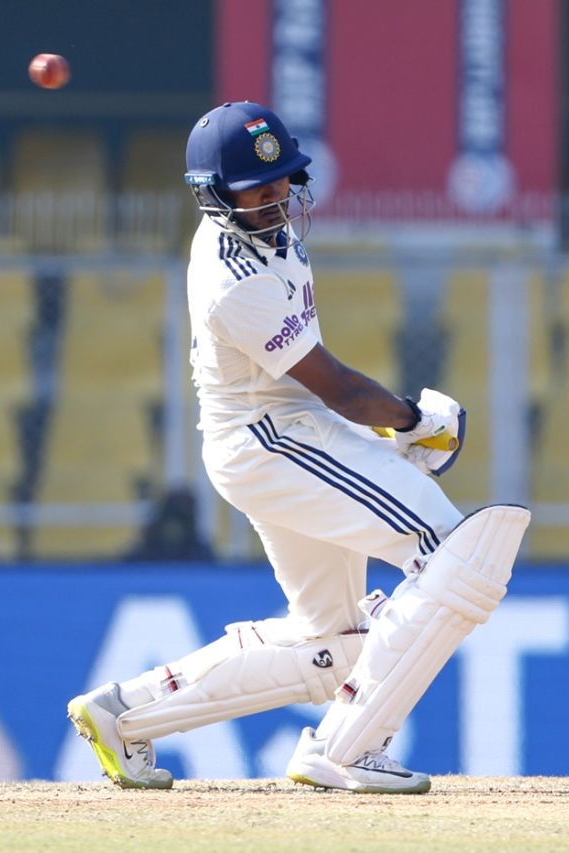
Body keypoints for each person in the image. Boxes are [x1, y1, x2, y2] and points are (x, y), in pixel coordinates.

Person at [67, 101, 530, 793]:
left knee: (335, 643)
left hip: (283, 434)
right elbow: (336, 388)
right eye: (257, 190)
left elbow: (326, 391)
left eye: (283, 180)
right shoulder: (234, 282)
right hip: (271, 439)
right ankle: (347, 749)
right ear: (212, 195)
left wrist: (393, 428)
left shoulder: (267, 228)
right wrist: (413, 419)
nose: (276, 198)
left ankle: (124, 714)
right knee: (451, 552)